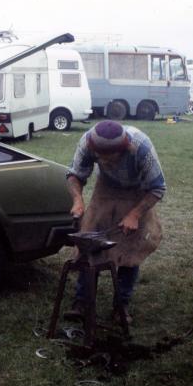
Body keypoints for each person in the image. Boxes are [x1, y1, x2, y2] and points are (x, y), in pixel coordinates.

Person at [66, 120, 166, 323]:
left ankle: (121, 306)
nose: (104, 160)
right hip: (106, 190)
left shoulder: (141, 147)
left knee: (130, 251)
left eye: (109, 157)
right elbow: (74, 175)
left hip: (137, 193)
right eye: (100, 156)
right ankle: (82, 302)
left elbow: (157, 188)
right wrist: (78, 199)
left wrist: (134, 215)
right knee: (89, 245)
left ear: (124, 148)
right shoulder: (88, 142)